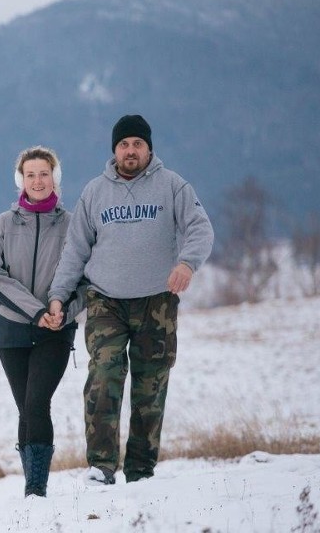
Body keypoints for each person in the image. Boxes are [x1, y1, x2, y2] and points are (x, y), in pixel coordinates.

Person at [47, 114, 214, 484]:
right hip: (106, 301)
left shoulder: (173, 186)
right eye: (124, 144)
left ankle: (140, 471)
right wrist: (58, 297)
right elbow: (74, 252)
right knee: (104, 377)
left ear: (149, 148)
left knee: (149, 388)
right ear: (114, 150)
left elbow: (201, 229)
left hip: (157, 302)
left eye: (137, 143)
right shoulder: (95, 192)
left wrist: (187, 263)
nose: (130, 150)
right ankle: (101, 467)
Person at [0, 146, 85, 497]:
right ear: (21, 180)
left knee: (37, 403)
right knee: (25, 408)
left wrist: (63, 314)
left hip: (55, 333)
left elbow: (85, 280)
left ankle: (35, 489)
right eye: (31, 174)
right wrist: (36, 312)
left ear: (54, 177)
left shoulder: (73, 224)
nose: (38, 180)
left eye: (44, 173)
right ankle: (33, 487)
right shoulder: (3, 224)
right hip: (13, 332)